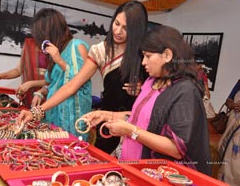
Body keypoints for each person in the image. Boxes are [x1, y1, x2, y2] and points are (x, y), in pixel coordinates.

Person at [17, 1, 148, 152]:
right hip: (106, 122)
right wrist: (36, 112)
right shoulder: (101, 51)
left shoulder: (145, 52)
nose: (118, 31)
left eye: (126, 28)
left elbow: (160, 91)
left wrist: (143, 89)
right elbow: (72, 86)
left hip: (137, 124)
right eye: (116, 23)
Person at [82, 25, 212, 176]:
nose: (143, 62)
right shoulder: (151, 81)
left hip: (158, 176)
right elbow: (142, 118)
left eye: (148, 56)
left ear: (168, 55)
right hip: (132, 169)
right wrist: (106, 115)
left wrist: (131, 131)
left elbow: (176, 149)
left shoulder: (185, 91)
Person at [17, 8, 92, 140]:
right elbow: (54, 82)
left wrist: (59, 60)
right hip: (54, 111)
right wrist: (41, 91)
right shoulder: (57, 50)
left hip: (72, 117)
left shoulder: (77, 46)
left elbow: (78, 82)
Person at [0, 37, 48, 108]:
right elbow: (18, 70)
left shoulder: (57, 46)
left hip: (49, 96)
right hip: (29, 95)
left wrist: (31, 83)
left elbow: (56, 79)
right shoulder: (30, 44)